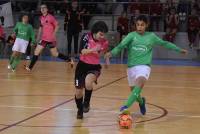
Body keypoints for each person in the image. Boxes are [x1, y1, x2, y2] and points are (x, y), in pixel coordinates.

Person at [104, 15, 187, 115]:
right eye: (138, 25)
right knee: (135, 92)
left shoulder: (151, 36)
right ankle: (142, 102)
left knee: (140, 83)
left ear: (146, 25)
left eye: (142, 25)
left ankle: (125, 107)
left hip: (144, 67)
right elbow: (120, 46)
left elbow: (165, 43)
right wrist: (111, 53)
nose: (139, 27)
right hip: (131, 68)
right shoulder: (131, 35)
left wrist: (179, 50)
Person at [74, 21, 109, 119]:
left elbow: (105, 52)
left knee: (88, 82)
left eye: (103, 35)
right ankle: (80, 109)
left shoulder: (104, 42)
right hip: (82, 66)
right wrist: (93, 49)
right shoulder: (86, 37)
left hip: (94, 67)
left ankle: (86, 103)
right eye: (100, 34)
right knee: (78, 93)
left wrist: (107, 59)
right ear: (95, 31)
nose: (102, 37)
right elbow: (82, 51)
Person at [25, 4, 72, 71]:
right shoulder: (41, 18)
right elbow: (41, 27)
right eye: (41, 8)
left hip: (51, 39)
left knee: (55, 54)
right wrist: (38, 37)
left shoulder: (50, 17)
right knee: (36, 52)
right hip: (44, 39)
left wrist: (54, 34)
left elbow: (57, 25)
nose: (42, 9)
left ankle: (69, 59)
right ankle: (30, 68)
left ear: (47, 9)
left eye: (44, 8)